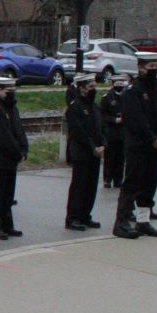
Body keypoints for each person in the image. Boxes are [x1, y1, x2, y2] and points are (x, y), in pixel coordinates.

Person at [115, 52, 157, 239]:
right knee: (132, 182)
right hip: (138, 144)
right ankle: (121, 222)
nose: (154, 70)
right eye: (150, 67)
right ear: (140, 68)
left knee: (149, 183)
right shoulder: (133, 90)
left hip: (154, 145)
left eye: (156, 66)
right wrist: (152, 139)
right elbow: (136, 120)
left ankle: (143, 221)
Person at [0, 75, 27, 240]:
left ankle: (7, 225)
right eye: (8, 91)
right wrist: (17, 152)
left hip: (11, 159)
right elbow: (2, 137)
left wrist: (24, 148)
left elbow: (18, 130)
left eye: (13, 90)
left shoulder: (11, 108)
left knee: (8, 195)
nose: (11, 94)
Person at [64, 74, 105, 231]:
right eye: (91, 87)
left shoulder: (94, 107)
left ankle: (85, 215)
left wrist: (102, 144)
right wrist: (92, 147)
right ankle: (73, 217)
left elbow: (100, 128)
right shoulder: (75, 107)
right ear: (81, 88)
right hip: (82, 152)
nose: (94, 90)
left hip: (95, 152)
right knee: (79, 185)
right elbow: (78, 132)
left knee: (91, 186)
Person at [100, 73, 129, 187]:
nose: (120, 85)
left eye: (122, 83)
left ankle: (118, 179)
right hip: (111, 132)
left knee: (121, 157)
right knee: (110, 157)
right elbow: (102, 115)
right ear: (113, 84)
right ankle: (107, 179)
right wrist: (114, 120)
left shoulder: (127, 97)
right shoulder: (107, 98)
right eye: (117, 83)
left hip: (123, 132)